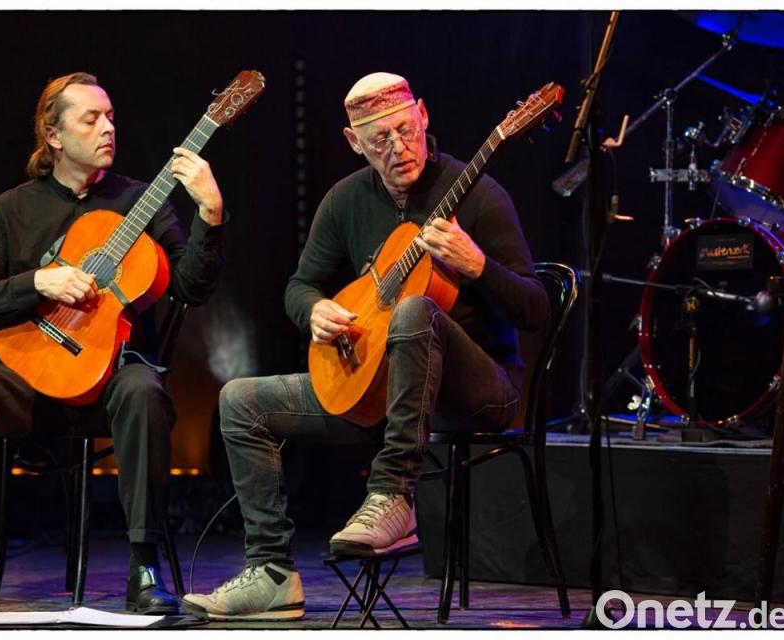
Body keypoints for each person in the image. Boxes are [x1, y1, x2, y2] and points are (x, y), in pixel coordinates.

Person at [182, 72, 548, 621]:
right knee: (240, 400)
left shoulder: (478, 194)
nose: (399, 148)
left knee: (415, 310)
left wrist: (478, 266)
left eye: (406, 130)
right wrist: (314, 310)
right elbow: (298, 287)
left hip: (479, 392)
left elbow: (536, 310)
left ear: (423, 115)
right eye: (380, 140)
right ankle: (272, 572)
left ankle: (392, 495)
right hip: (381, 393)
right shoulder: (346, 200)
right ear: (354, 142)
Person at [0, 72, 227, 620]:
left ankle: (144, 567)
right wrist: (37, 283)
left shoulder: (139, 200)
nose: (108, 128)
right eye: (91, 119)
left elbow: (191, 288)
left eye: (111, 116)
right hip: (29, 383)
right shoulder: (10, 209)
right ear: (53, 135)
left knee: (143, 389)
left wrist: (210, 215)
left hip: (110, 381)